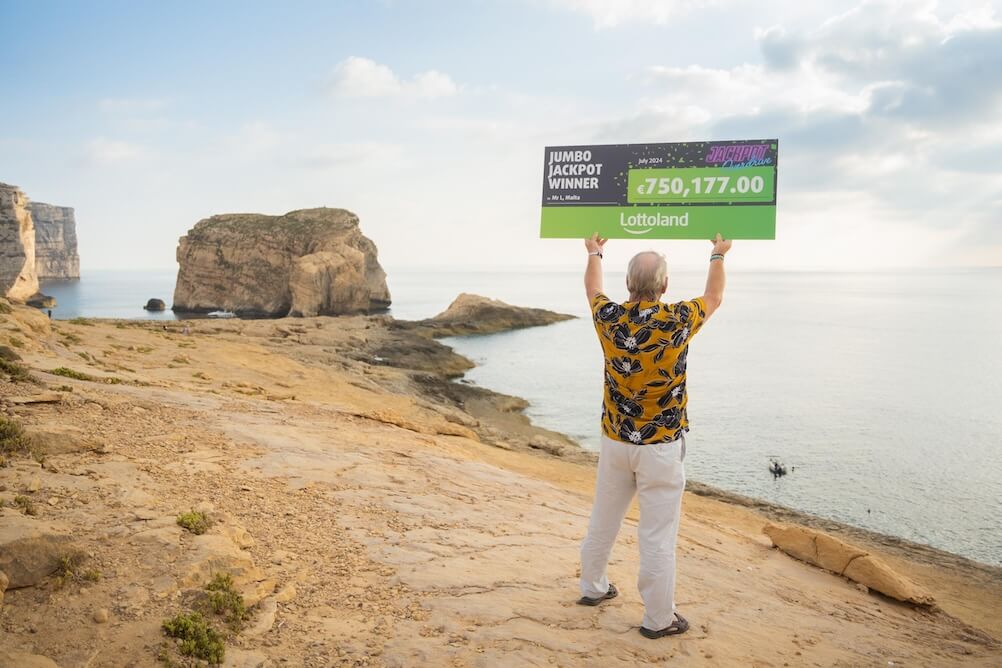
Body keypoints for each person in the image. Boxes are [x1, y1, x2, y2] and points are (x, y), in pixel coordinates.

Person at [577, 232, 731, 639]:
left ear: (628, 284)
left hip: (615, 442)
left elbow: (593, 287)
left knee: (603, 518)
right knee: (657, 535)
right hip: (661, 447)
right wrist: (717, 254)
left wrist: (594, 251)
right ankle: (658, 619)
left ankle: (593, 588)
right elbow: (713, 297)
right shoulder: (676, 320)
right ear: (664, 286)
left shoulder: (609, 318)